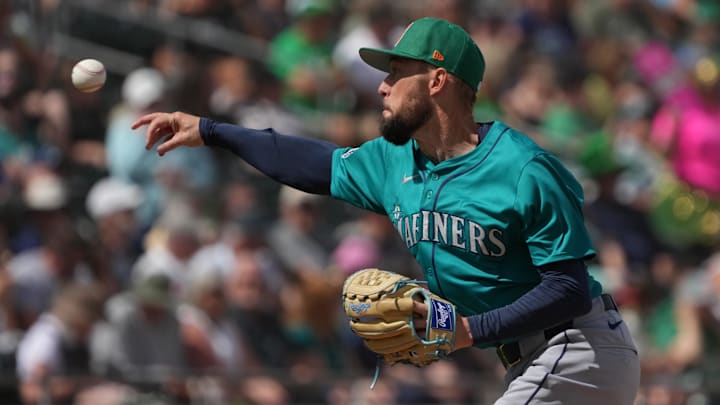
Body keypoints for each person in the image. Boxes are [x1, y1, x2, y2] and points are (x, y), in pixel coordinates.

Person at [133, 17, 641, 404]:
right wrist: (211, 130)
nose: (381, 86)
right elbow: (311, 163)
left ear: (437, 81)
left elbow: (569, 287)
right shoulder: (394, 162)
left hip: (577, 350)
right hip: (526, 361)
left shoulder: (523, 168)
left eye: (396, 73)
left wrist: (468, 331)